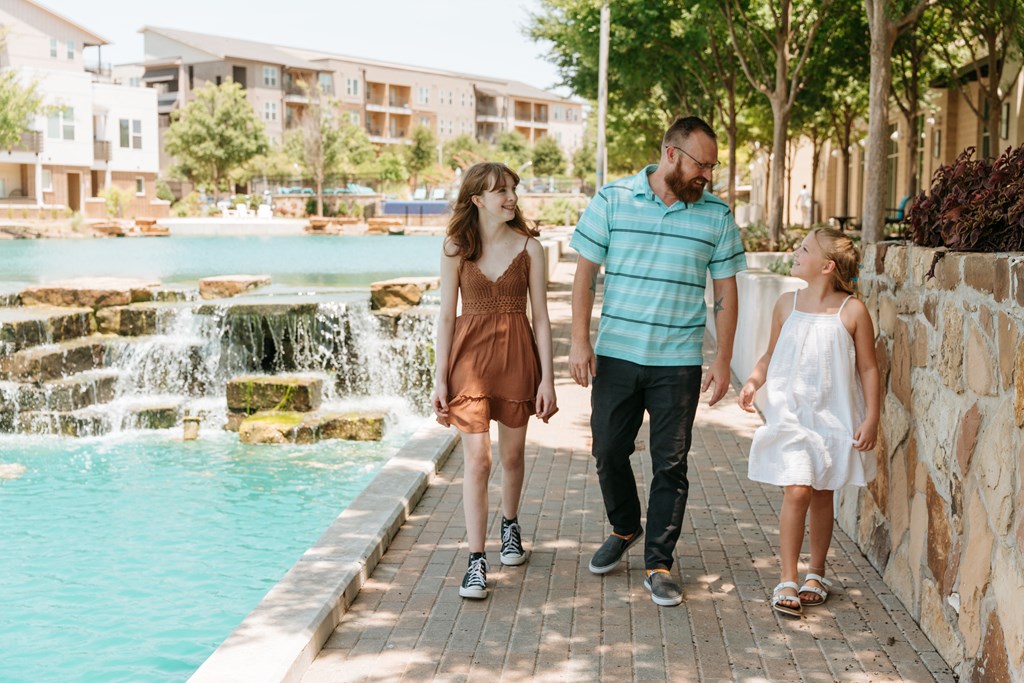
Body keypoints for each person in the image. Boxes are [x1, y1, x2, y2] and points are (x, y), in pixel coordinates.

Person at [569, 116, 746, 607]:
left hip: (679, 363)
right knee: (607, 450)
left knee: (670, 465)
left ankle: (659, 563)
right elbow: (583, 277)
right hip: (617, 355)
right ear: (671, 154)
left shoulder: (717, 215)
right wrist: (579, 342)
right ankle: (625, 527)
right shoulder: (612, 199)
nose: (707, 175)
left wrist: (723, 357)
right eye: (701, 164)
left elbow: (726, 294)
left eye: (712, 165)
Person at [431, 161, 558, 600]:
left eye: (512, 189)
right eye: (499, 191)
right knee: (478, 462)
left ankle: (510, 526)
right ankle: (475, 561)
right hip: (468, 361)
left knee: (513, 456)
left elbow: (541, 318)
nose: (510, 198)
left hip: (517, 357)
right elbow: (446, 315)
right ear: (476, 199)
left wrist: (549, 380)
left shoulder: (530, 248)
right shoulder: (455, 248)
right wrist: (438, 377)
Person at [737, 227, 879, 618]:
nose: (794, 252)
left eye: (803, 249)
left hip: (833, 417)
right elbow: (770, 353)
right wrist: (752, 382)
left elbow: (868, 367)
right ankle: (787, 577)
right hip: (792, 415)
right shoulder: (786, 304)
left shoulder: (852, 311)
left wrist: (872, 417)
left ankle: (815, 573)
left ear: (827, 266)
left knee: (822, 493)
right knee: (797, 490)